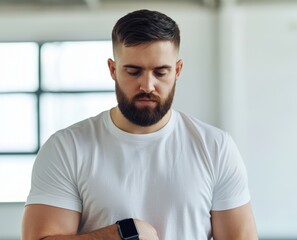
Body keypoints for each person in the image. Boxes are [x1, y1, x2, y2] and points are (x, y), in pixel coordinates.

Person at [22, 9, 258, 240]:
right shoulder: (67, 148)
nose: (147, 85)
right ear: (113, 70)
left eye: (161, 72)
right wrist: (119, 235)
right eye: (133, 72)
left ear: (177, 71)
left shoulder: (216, 147)